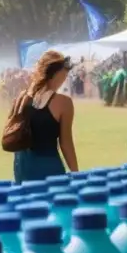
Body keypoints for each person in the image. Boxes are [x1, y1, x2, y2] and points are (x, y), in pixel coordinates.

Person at [13, 51, 79, 182]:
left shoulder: (22, 97)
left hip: (22, 165)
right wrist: (76, 173)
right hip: (48, 167)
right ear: (57, 73)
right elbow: (66, 143)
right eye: (64, 73)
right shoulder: (63, 103)